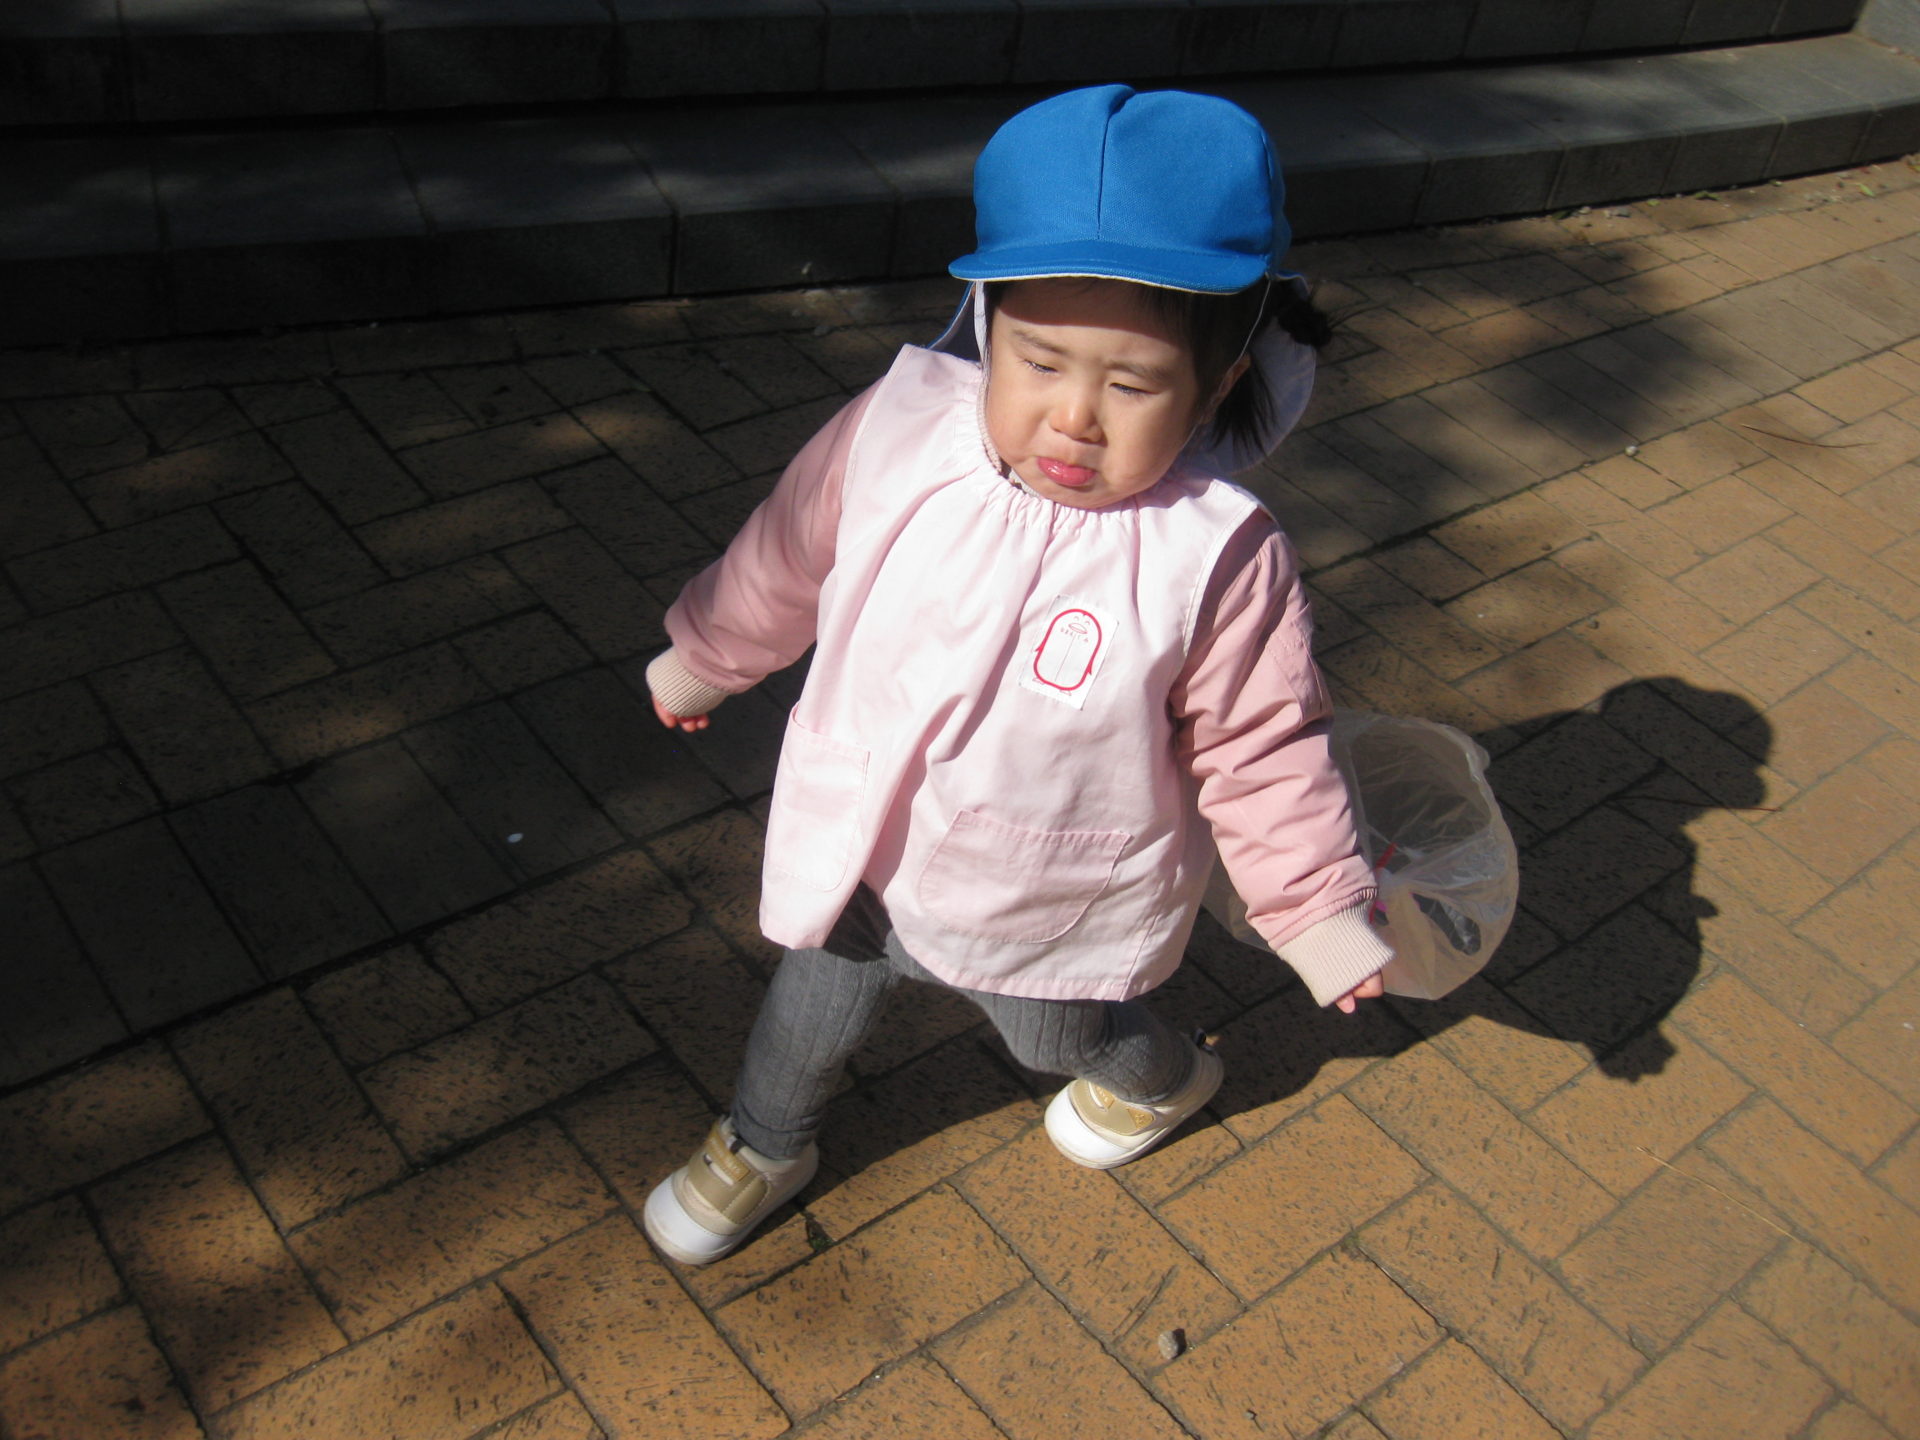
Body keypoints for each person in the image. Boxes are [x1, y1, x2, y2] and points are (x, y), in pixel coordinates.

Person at [639, 84, 1395, 1266]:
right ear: (988, 327)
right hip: (870, 841)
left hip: (1044, 885)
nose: (1074, 418)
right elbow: (786, 553)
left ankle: (1162, 1074)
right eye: (1038, 361)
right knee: (809, 1004)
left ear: (1217, 386)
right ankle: (764, 1140)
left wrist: (1317, 910)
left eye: (1132, 385)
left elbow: (1262, 747)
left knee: (1057, 1035)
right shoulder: (897, 435)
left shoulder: (1214, 555)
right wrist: (704, 658)